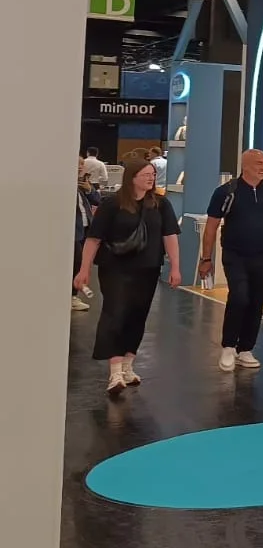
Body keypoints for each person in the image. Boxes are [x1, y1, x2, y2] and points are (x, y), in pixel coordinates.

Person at [74, 159, 181, 395]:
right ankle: (115, 371)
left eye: (152, 174)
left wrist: (175, 266)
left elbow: (170, 235)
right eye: (145, 174)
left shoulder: (161, 205)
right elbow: (94, 239)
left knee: (137, 315)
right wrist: (84, 269)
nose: (151, 178)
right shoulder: (112, 204)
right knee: (115, 313)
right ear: (132, 177)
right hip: (115, 268)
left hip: (148, 268)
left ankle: (128, 365)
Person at [200, 149, 263, 372]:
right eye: (258, 163)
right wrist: (206, 258)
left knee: (257, 302)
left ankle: (245, 349)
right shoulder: (226, 192)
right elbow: (211, 226)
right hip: (235, 254)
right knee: (239, 297)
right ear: (245, 165)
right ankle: (228, 346)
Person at [72, 159, 101, 312]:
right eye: (78, 164)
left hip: (85, 230)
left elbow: (97, 200)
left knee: (81, 263)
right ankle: (72, 296)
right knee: (76, 263)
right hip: (73, 232)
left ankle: (73, 295)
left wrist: (89, 189)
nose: (80, 167)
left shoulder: (83, 184)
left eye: (82, 164)